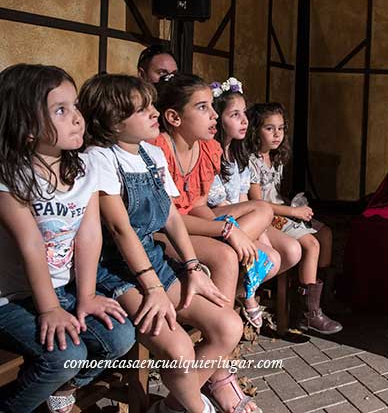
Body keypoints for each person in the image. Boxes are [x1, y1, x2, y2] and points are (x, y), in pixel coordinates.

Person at [79, 73, 260, 413]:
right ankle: (198, 409)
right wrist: (153, 287)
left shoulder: (150, 153)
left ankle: (173, 407)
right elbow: (121, 230)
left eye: (152, 105)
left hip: (153, 260)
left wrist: (193, 267)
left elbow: (172, 217)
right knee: (178, 350)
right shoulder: (100, 158)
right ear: (114, 121)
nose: (154, 113)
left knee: (228, 326)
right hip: (116, 272)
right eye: (143, 109)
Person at [0, 65, 135, 413]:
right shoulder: (10, 175)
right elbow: (29, 243)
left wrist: (87, 296)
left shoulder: (85, 168)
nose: (77, 118)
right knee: (67, 354)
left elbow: (89, 234)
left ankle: (62, 391)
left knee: (120, 337)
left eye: (75, 106)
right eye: (61, 110)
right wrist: (49, 309)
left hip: (63, 288)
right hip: (11, 299)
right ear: (27, 126)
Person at [246, 103, 343, 335]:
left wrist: (296, 206)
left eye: (281, 128)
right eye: (270, 128)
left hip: (283, 209)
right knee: (311, 243)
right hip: (269, 217)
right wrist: (293, 213)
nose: (277, 134)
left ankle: (317, 299)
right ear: (255, 130)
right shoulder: (253, 162)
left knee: (325, 233)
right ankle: (309, 314)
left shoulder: (275, 157)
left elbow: (278, 195)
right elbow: (259, 204)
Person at [207, 78, 294, 331]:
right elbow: (217, 203)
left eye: (244, 114)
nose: (245, 120)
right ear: (218, 119)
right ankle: (244, 297)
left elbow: (244, 198)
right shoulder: (210, 152)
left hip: (241, 219)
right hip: (217, 220)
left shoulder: (238, 154)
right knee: (265, 212)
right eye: (235, 114)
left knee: (273, 257)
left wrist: (260, 233)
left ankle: (240, 292)